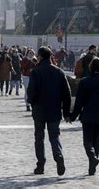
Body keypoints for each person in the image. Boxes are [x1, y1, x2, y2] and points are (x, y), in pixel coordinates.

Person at [27, 46, 71, 176]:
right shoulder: (59, 72)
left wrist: (32, 102)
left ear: (40, 57)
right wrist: (67, 112)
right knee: (54, 136)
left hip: (39, 110)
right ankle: (58, 156)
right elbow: (66, 93)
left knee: (39, 137)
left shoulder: (36, 71)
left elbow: (31, 91)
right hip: (54, 109)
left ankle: (40, 165)